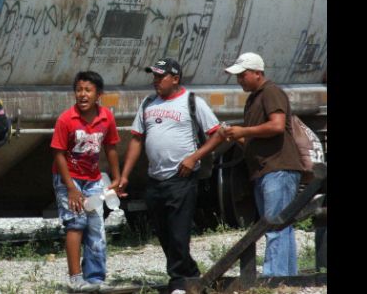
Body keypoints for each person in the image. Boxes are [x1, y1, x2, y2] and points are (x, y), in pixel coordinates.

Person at [118, 58, 226, 294]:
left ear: (175, 78)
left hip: (182, 177)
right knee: (164, 232)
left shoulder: (192, 102)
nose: (155, 81)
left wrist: (193, 157)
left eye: (160, 76)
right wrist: (124, 175)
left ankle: (178, 282)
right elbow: (137, 139)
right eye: (154, 76)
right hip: (155, 178)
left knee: (179, 232)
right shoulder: (148, 103)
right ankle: (192, 275)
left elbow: (218, 134)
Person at [223, 52, 304, 277]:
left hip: (278, 168)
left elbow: (277, 126)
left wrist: (243, 131)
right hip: (266, 169)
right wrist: (235, 136)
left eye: (242, 75)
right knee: (280, 226)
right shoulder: (254, 98)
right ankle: (285, 278)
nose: (239, 80)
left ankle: (273, 278)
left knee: (274, 226)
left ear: (258, 73)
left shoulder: (271, 92)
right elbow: (254, 141)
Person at [51, 71, 121, 293]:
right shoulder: (66, 119)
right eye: (79, 90)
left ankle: (95, 277)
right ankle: (76, 278)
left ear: (98, 94)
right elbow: (59, 154)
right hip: (68, 179)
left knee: (96, 226)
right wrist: (71, 188)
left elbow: (110, 147)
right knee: (75, 224)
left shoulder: (106, 118)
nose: (82, 95)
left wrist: (117, 177)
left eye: (87, 90)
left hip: (92, 178)